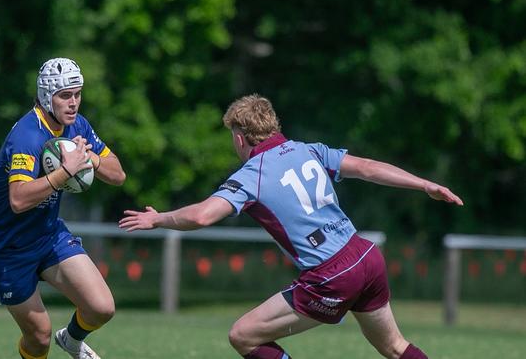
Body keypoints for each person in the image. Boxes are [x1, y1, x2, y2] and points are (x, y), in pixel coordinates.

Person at [119, 94, 463, 359]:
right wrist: (423, 184)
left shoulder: (251, 175)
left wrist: (158, 218)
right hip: (366, 256)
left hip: (331, 273)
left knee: (243, 335)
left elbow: (201, 216)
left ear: (240, 138)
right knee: (394, 348)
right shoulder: (308, 150)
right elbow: (369, 167)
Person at [0, 57, 126, 359]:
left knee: (101, 307)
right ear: (46, 96)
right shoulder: (27, 136)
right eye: (65, 95)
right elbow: (18, 200)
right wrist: (64, 172)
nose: (74, 103)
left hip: (47, 236)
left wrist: (89, 159)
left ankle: (71, 340)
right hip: (5, 247)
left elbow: (118, 174)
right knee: (39, 337)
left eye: (77, 93)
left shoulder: (77, 125)